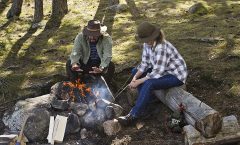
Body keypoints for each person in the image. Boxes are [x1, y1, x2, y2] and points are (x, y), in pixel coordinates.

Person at [118, 22, 188, 126]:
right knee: (135, 71)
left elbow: (157, 73)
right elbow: (144, 64)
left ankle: (133, 115)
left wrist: (139, 82)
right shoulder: (147, 44)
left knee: (149, 83)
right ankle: (147, 104)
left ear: (154, 36)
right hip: (162, 71)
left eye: (147, 39)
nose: (145, 42)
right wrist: (135, 77)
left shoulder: (161, 48)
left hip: (175, 75)